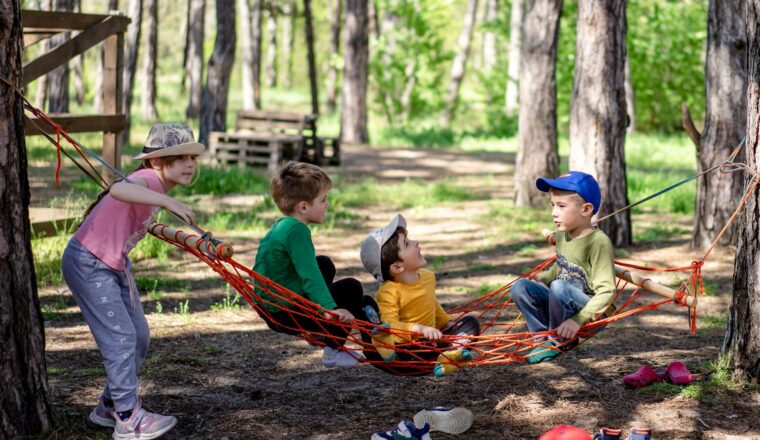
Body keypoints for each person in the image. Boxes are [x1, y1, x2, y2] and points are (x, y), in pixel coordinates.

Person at [61, 124, 204, 439]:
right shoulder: (148, 179)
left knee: (138, 335)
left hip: (113, 264)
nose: (190, 164)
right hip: (89, 263)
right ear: (156, 162)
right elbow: (119, 189)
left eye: (192, 157)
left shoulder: (155, 185)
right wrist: (167, 203)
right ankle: (128, 419)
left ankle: (109, 407)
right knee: (122, 338)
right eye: (180, 158)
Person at [252, 161, 380, 368]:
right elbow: (309, 274)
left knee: (325, 264)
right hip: (284, 312)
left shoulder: (283, 225)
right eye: (323, 200)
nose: (327, 205)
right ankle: (334, 349)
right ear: (303, 207)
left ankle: (326, 327)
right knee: (351, 288)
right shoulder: (298, 232)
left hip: (271, 304)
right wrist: (329, 310)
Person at [509, 171, 616, 364]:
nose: (553, 212)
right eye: (552, 205)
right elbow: (562, 267)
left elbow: (607, 291)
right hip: (563, 303)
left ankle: (558, 341)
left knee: (558, 286)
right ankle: (542, 339)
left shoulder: (599, 242)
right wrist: (541, 281)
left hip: (591, 315)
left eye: (561, 206)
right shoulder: (562, 235)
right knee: (520, 286)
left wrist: (578, 320)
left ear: (586, 209)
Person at [360, 214, 480, 377]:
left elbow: (431, 303)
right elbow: (389, 326)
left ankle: (450, 356)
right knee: (374, 324)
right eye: (407, 244)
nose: (416, 243)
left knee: (470, 323)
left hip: (434, 344)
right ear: (397, 267)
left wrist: (446, 323)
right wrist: (418, 329)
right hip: (409, 353)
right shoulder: (389, 292)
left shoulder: (427, 277)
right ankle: (447, 357)